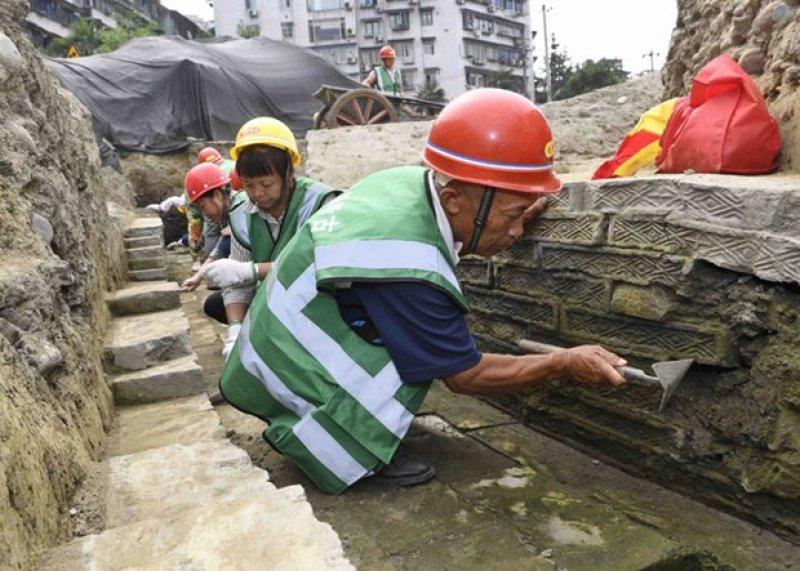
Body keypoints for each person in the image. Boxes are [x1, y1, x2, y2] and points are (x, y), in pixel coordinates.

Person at [217, 89, 629, 495]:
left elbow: (439, 237)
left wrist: (509, 211)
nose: (518, 230)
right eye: (512, 215)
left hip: (268, 344)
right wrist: (563, 363)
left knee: (415, 341)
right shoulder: (408, 265)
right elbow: (466, 374)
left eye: (522, 214)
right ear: (453, 199)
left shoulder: (407, 184)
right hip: (283, 370)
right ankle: (343, 445)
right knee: (422, 358)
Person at [201, 117, 340, 359]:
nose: (257, 194)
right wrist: (235, 330)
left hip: (317, 298)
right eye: (248, 185)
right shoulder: (242, 212)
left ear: (288, 173)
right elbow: (238, 281)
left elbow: (322, 267)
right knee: (216, 303)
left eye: (266, 184)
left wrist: (252, 271)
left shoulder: (320, 203)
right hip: (274, 297)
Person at [179, 163, 235, 325]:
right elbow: (221, 247)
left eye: (203, 207)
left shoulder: (242, 210)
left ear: (217, 195)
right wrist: (198, 277)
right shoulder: (224, 213)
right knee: (213, 305)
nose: (205, 214)